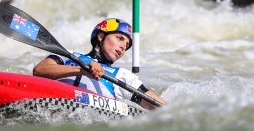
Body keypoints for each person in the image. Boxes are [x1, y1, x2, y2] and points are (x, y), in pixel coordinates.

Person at [33, 18, 166, 110]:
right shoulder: (68, 55)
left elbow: (159, 106)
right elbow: (39, 70)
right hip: (51, 104)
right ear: (101, 36)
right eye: (119, 38)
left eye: (126, 45)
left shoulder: (122, 76)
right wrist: (81, 70)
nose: (122, 47)